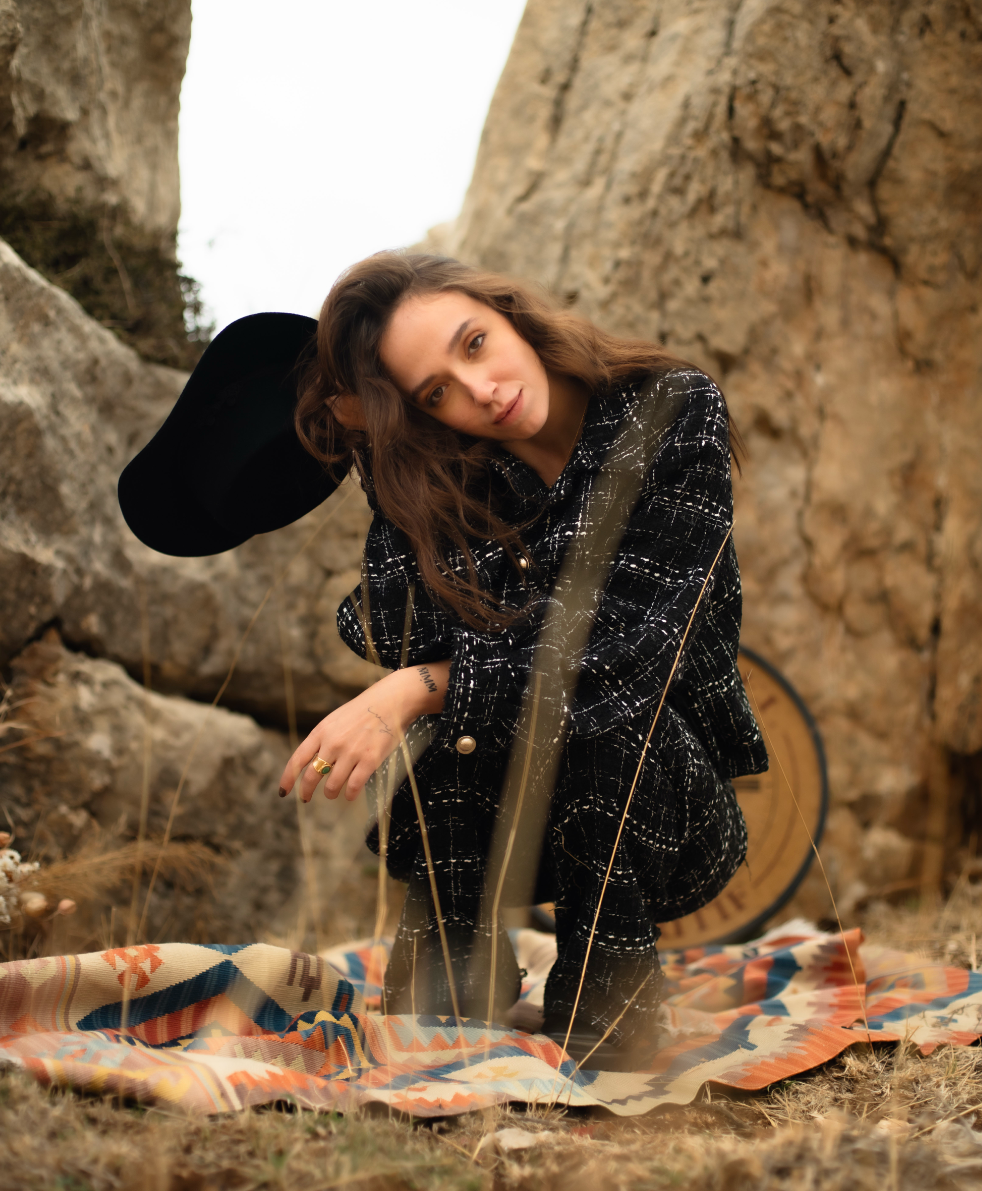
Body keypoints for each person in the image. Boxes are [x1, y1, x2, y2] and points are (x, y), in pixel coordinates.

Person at [118, 251, 767, 1073]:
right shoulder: (458, 465)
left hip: (665, 805)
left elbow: (625, 651)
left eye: (474, 344)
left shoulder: (669, 409)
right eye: (435, 395)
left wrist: (415, 691)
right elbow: (405, 632)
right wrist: (383, 458)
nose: (482, 392)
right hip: (500, 813)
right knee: (460, 764)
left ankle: (611, 986)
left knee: (598, 719)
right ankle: (461, 974)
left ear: (508, 310)